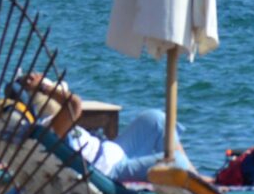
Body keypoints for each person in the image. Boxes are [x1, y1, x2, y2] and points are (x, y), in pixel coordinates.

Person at [14, 72, 169, 180]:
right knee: (172, 161)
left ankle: (183, 184)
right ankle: (187, 188)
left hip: (113, 150)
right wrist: (43, 87)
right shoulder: (51, 129)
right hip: (111, 169)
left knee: (156, 119)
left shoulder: (51, 125)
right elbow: (74, 105)